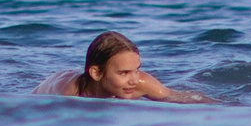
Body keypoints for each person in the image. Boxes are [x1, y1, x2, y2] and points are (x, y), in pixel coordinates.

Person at [33, 31, 211, 102]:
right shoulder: (69, 93)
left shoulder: (139, 83)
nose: (134, 80)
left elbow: (183, 98)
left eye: (137, 69)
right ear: (96, 73)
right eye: (124, 73)